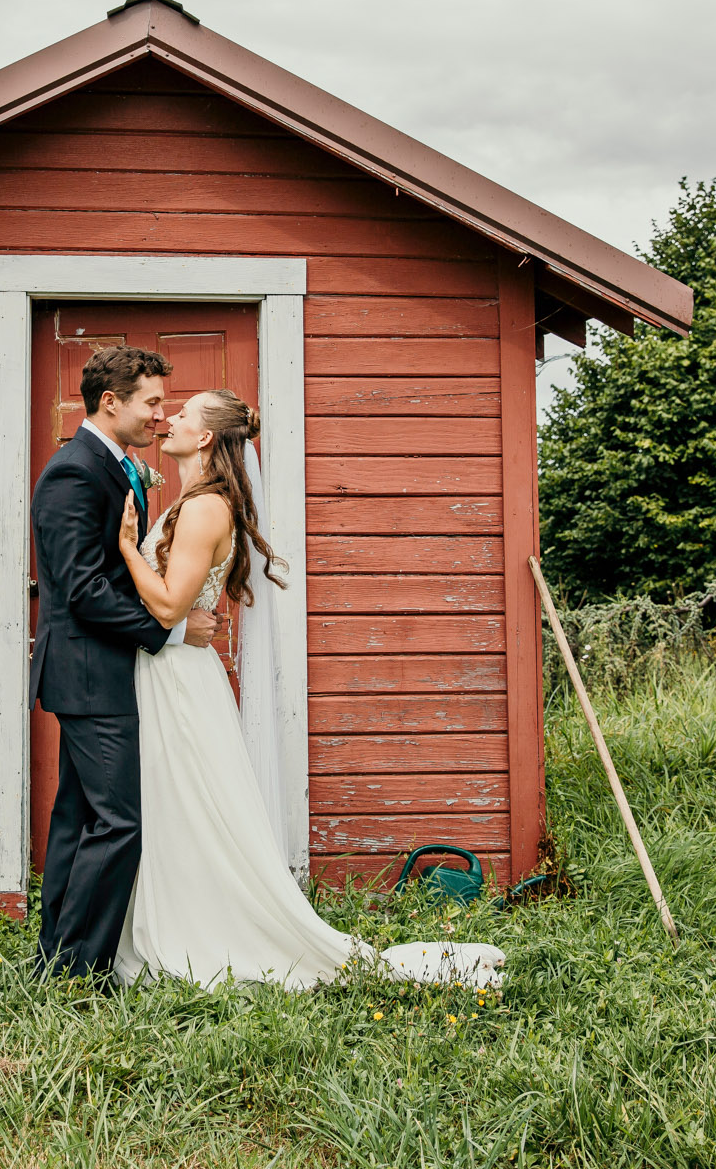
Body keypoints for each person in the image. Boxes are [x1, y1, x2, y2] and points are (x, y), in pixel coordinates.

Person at [112, 387, 504, 991]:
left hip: (178, 681)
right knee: (173, 806)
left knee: (187, 805)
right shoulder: (190, 500)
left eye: (183, 414)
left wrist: (125, 550)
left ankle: (193, 935)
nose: (169, 420)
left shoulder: (205, 509)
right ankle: (166, 920)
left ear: (207, 437)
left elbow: (167, 605)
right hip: (169, 671)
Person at [28, 345, 218, 984]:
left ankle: (57, 959)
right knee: (118, 823)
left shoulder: (118, 465)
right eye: (153, 403)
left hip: (103, 671)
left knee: (79, 819)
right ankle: (78, 972)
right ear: (111, 402)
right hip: (88, 673)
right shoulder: (72, 472)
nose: (161, 417)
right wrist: (170, 631)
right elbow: (82, 589)